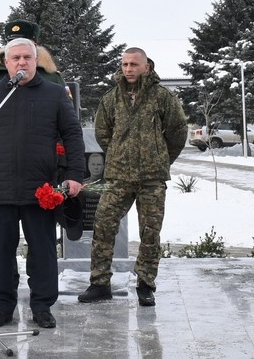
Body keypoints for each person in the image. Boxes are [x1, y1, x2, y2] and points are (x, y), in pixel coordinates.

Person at [0, 38, 86, 329]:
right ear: (6, 63)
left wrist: (75, 174)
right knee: (1, 254)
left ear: (36, 61)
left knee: (43, 252)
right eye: (15, 58)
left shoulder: (54, 94)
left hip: (40, 190)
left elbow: (72, 134)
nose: (21, 62)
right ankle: (2, 307)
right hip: (0, 191)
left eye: (27, 57)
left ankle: (42, 306)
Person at [78, 47, 188, 308]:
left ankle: (146, 285)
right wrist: (119, 154)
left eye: (134, 64)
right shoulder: (111, 98)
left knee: (150, 232)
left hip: (152, 178)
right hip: (118, 177)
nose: (128, 69)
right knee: (103, 224)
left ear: (146, 66)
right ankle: (99, 283)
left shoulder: (162, 97)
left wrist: (160, 158)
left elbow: (177, 131)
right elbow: (103, 133)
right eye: (125, 64)